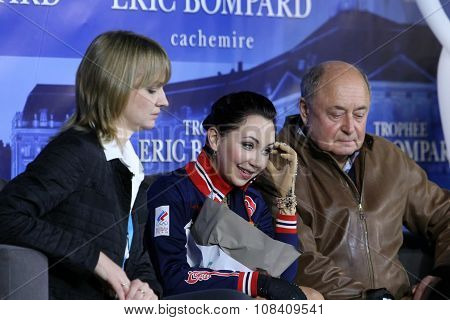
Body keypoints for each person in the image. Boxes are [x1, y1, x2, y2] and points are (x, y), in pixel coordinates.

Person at [256, 60, 450, 299]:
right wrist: (370, 302)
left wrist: (445, 272)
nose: (350, 127)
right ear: (305, 111)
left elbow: (444, 213)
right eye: (336, 114)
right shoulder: (276, 164)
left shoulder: (388, 157)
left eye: (360, 114)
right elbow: (298, 259)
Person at [0, 30, 171, 299]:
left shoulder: (131, 164)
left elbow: (135, 257)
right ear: (116, 87)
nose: (164, 101)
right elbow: (6, 215)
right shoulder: (77, 151)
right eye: (152, 89)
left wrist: (146, 288)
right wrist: (96, 260)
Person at [146, 91, 323, 300]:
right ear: (214, 139)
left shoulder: (252, 201)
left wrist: (285, 201)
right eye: (248, 145)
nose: (258, 162)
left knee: (312, 297)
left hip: (238, 301)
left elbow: (281, 276)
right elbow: (172, 278)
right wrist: (255, 285)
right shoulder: (173, 190)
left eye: (266, 151)